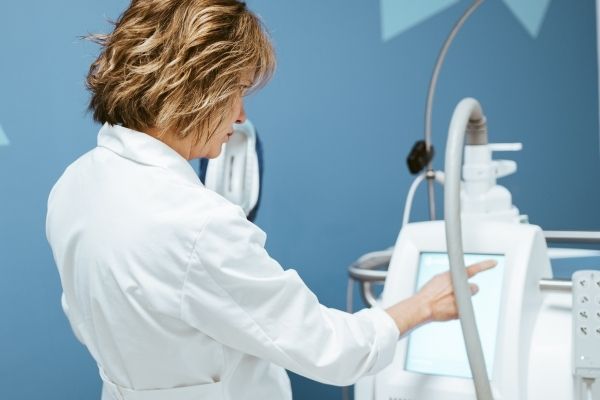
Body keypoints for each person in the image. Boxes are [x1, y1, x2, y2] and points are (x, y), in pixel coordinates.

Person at [45, 1, 496, 399]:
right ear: (195, 89)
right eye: (237, 91)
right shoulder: (197, 225)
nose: (241, 116)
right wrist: (423, 306)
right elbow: (332, 350)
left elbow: (94, 321)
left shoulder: (75, 186)